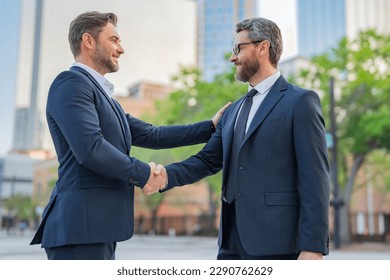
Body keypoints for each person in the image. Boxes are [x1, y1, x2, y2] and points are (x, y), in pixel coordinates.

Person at [30, 11, 229, 260]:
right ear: (88, 41)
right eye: (114, 39)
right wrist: (146, 175)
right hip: (79, 228)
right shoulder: (71, 83)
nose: (121, 48)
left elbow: (154, 135)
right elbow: (91, 149)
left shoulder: (107, 100)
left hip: (98, 227)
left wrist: (211, 126)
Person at [145, 17, 330, 260]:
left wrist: (313, 247)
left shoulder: (300, 102)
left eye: (238, 49)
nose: (233, 57)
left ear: (262, 47)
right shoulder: (232, 111)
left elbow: (315, 178)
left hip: (278, 244)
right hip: (231, 244)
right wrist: (164, 177)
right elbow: (207, 160)